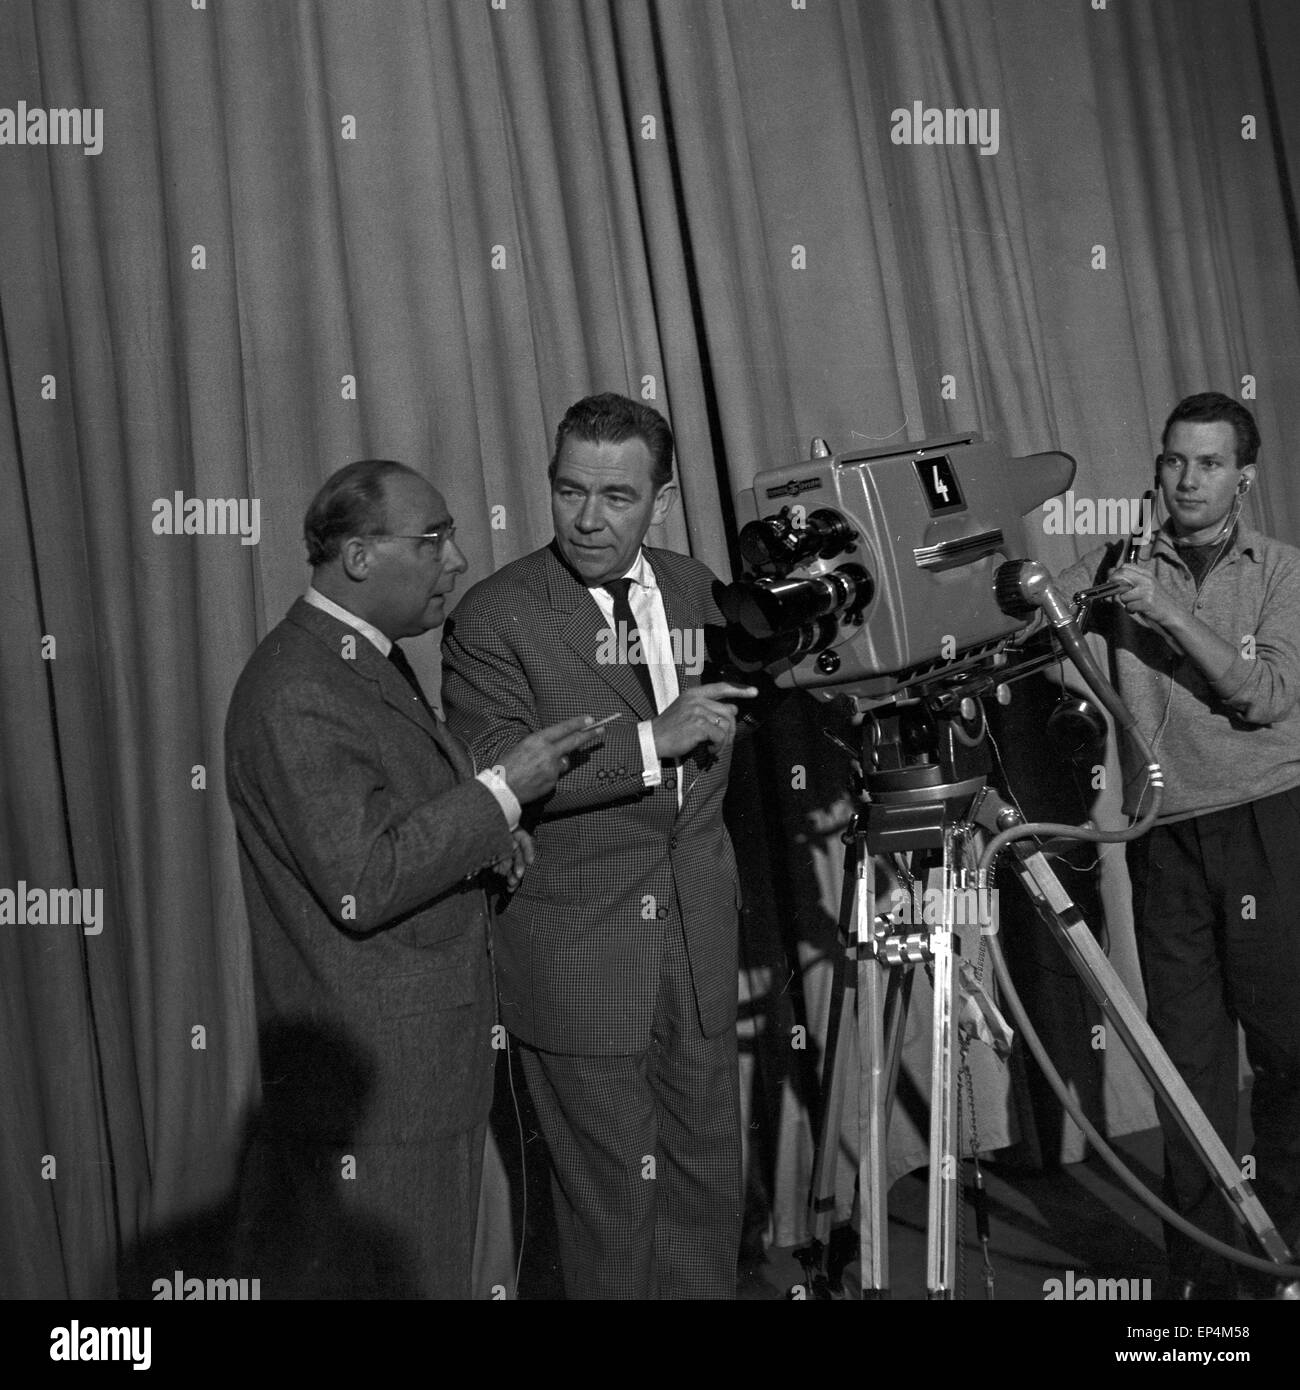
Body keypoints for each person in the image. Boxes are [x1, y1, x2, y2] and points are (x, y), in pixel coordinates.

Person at [224, 459, 597, 1298]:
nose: (457, 561)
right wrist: (504, 792)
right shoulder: (298, 689)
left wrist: (486, 839)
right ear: (358, 557)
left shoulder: (361, 660)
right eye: (432, 541)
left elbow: (392, 819)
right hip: (388, 1084)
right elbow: (365, 876)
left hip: (420, 1071)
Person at [441, 393, 757, 1299]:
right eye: (570, 491)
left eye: (617, 498)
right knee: (611, 1212)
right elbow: (496, 774)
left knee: (704, 1191)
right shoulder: (495, 617)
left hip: (697, 941)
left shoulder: (699, 588)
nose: (588, 519)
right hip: (580, 954)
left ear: (661, 501)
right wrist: (649, 741)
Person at [1056, 392, 1300, 1298]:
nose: (1186, 479)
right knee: (1187, 1069)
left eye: (1206, 463)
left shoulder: (1280, 570)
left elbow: (1265, 697)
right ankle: (1203, 1287)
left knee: (1289, 1053)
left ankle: (1286, 1261)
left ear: (1244, 476)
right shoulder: (1117, 565)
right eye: (1172, 461)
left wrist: (1162, 614)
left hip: (1270, 823)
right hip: (1167, 841)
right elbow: (1031, 616)